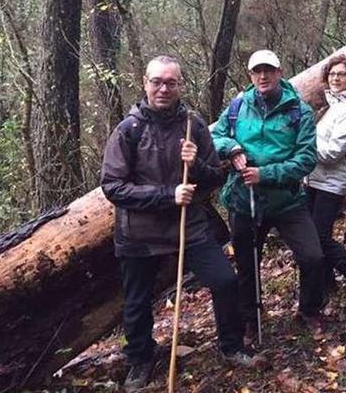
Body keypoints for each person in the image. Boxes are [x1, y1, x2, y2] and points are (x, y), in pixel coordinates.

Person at [101, 56, 255, 392]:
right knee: (136, 301)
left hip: (189, 225)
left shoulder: (193, 124)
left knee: (225, 281)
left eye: (171, 82)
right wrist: (166, 195)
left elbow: (215, 176)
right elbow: (112, 186)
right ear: (145, 83)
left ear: (180, 85)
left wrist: (196, 163)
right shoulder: (129, 130)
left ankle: (231, 346)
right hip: (139, 232)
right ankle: (141, 359)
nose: (163, 89)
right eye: (157, 81)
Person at [212, 49, 326, 336]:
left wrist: (266, 174)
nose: (263, 76)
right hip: (243, 199)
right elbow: (215, 136)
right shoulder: (238, 106)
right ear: (250, 75)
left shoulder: (299, 111)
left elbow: (306, 159)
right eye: (256, 71)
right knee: (247, 263)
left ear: (279, 72)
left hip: (286, 200)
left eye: (268, 70)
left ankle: (309, 310)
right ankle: (251, 318)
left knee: (313, 257)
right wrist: (232, 148)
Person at [304, 56, 346, 304]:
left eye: (341, 74)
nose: (335, 78)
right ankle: (327, 282)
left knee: (320, 237)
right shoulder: (331, 106)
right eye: (332, 74)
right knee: (313, 236)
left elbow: (333, 152)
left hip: (332, 183)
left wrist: (303, 146)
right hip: (314, 180)